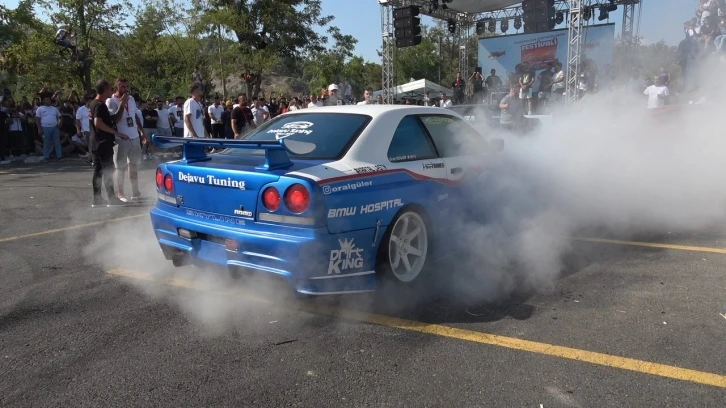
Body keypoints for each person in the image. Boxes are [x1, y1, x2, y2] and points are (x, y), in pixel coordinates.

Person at [88, 80, 128, 208]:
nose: (112, 91)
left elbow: (109, 119)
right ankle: (111, 198)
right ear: (105, 90)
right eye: (111, 89)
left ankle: (97, 199)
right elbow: (98, 123)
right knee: (108, 170)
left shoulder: (93, 103)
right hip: (102, 143)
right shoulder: (99, 105)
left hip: (96, 142)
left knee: (98, 171)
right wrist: (116, 133)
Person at [106, 78, 146, 202]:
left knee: (133, 165)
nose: (125, 89)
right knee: (120, 167)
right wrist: (122, 104)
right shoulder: (111, 101)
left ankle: (135, 192)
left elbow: (134, 116)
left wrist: (142, 132)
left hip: (134, 137)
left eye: (127, 86)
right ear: (116, 87)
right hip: (120, 138)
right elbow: (114, 120)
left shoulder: (132, 99)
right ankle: (120, 194)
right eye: (122, 86)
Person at [35, 94, 62, 162]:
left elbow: (60, 117)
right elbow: (37, 119)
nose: (48, 101)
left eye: (49, 99)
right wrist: (39, 128)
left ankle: (59, 156)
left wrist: (59, 125)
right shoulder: (40, 109)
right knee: (46, 143)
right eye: (46, 99)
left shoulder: (54, 108)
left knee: (57, 142)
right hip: (45, 127)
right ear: (43, 101)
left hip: (54, 127)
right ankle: (46, 157)